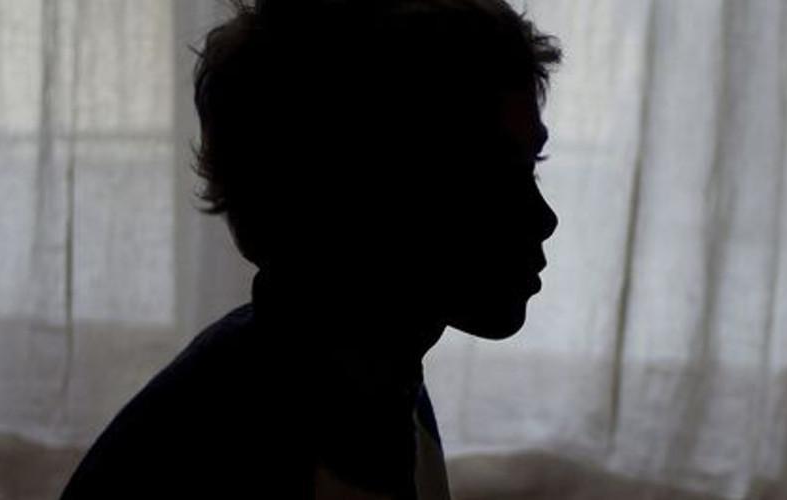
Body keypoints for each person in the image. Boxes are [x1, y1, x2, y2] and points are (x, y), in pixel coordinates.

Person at [60, 0, 560, 498]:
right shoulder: (219, 452)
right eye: (491, 176)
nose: (544, 218)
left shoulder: (382, 390)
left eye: (530, 167)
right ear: (351, 192)